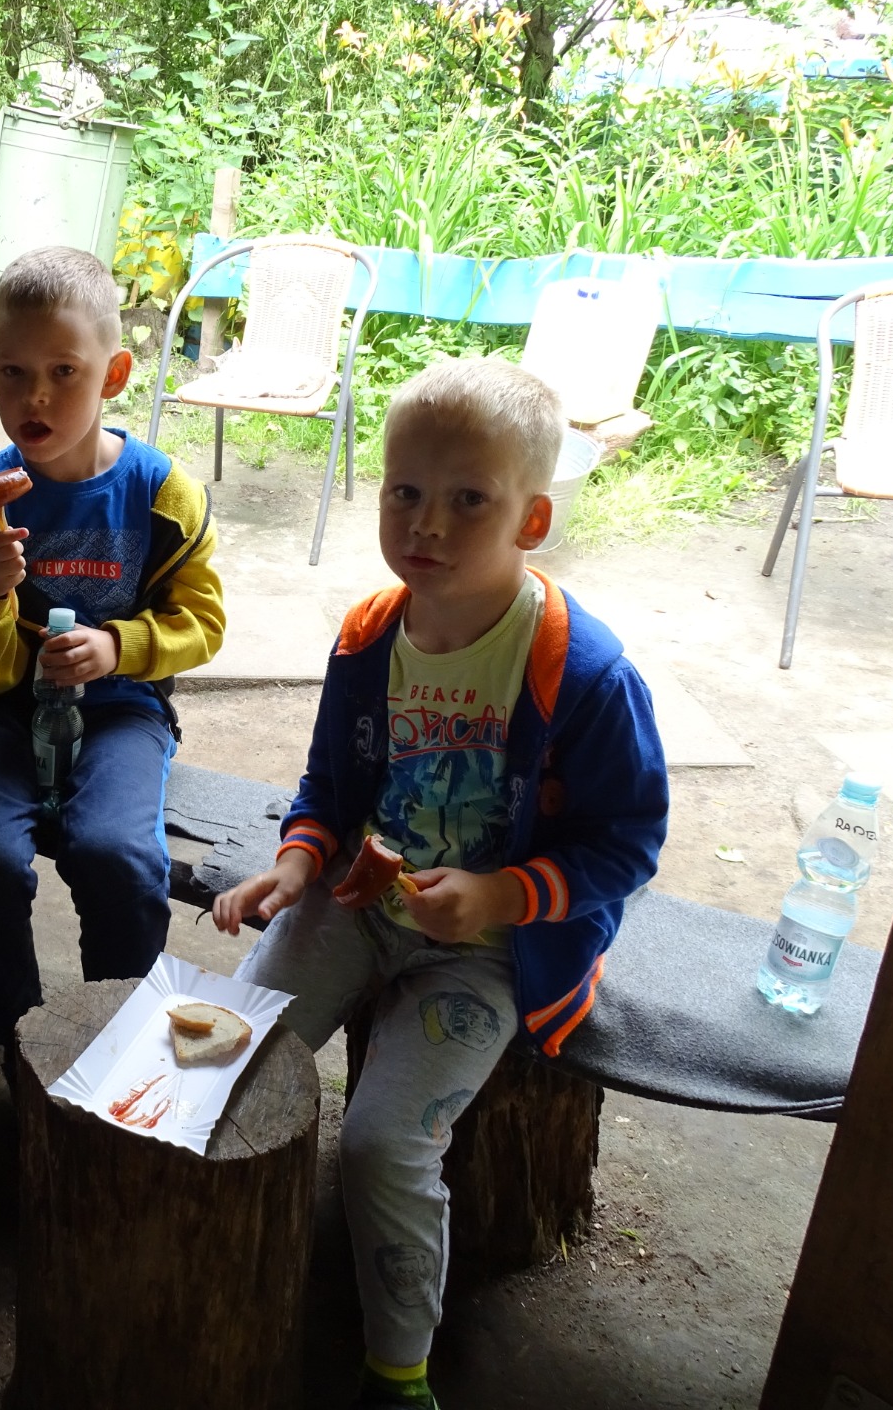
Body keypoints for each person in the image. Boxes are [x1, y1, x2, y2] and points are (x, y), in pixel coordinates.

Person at [212, 358, 669, 1410]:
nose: (427, 522)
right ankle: (218, 1259)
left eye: (470, 499)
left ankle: (398, 1367)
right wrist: (294, 865)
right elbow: (330, 786)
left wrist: (501, 898)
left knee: (382, 1145)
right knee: (232, 1054)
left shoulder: (585, 673)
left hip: (490, 951)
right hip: (359, 903)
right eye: (405, 491)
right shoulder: (371, 636)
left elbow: (630, 843)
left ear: (532, 518)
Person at [0, 245, 225, 1081]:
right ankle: (19, 1039)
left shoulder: (163, 495)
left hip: (122, 711)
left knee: (117, 856)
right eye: (14, 372)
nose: (35, 396)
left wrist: (119, 647)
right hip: (1, 715)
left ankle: (119, 1030)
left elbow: (203, 624)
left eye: (64, 371)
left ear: (115, 374)